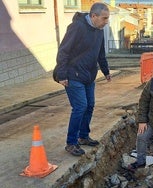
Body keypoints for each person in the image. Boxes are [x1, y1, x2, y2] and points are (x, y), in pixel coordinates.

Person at [55, 3, 111, 156]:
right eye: (104, 18)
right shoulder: (77, 27)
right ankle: (71, 143)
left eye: (107, 18)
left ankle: (83, 136)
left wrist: (106, 71)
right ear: (94, 16)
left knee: (90, 105)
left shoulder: (99, 31)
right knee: (80, 106)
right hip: (73, 75)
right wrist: (62, 75)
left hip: (89, 75)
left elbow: (101, 53)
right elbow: (63, 51)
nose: (106, 22)